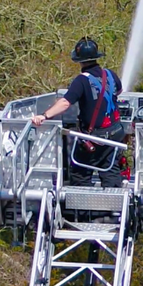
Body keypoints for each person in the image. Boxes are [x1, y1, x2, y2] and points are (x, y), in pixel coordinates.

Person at [31, 37, 125, 187]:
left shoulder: (81, 80)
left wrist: (44, 115)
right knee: (110, 169)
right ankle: (114, 209)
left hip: (94, 137)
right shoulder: (111, 74)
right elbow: (118, 91)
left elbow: (65, 102)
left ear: (79, 60)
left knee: (80, 172)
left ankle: (81, 209)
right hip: (116, 132)